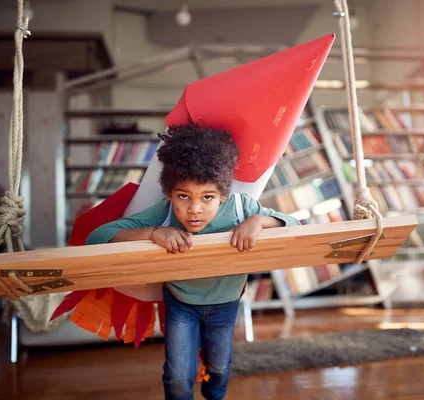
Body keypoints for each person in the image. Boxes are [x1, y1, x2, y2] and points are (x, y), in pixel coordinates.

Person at [85, 122, 299, 400]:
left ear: (222, 195)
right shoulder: (164, 213)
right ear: (170, 194)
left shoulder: (240, 207)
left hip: (225, 304)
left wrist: (259, 221)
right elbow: (97, 237)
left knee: (219, 368)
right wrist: (153, 232)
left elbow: (294, 224)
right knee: (177, 376)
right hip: (180, 304)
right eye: (183, 197)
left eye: (207, 197)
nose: (194, 209)